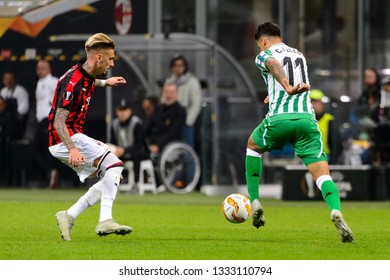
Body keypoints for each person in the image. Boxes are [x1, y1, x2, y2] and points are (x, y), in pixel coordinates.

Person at [245, 22, 354, 242]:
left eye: (259, 45)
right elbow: (293, 80)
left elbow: (273, 63)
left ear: (263, 40)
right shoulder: (299, 54)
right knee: (322, 173)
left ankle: (254, 200)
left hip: (279, 120)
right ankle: (335, 210)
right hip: (306, 120)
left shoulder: (264, 54)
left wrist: (284, 86)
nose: (260, 49)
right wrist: (275, 93)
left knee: (253, 147)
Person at [48, 33, 131, 241]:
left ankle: (69, 215)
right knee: (115, 164)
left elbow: (88, 82)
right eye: (111, 58)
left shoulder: (86, 75)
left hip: (70, 137)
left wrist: (106, 83)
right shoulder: (71, 82)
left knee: (111, 176)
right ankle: (105, 220)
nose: (112, 63)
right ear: (99, 58)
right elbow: (59, 121)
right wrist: (73, 149)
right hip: (64, 138)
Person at [32, 60, 60, 188]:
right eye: (38, 68)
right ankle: (49, 173)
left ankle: (51, 172)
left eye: (43, 68)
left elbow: (60, 97)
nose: (40, 71)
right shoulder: (39, 82)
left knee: (45, 148)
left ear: (49, 69)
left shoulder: (53, 81)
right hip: (40, 120)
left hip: (48, 119)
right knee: (40, 148)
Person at [165, 54, 202, 148]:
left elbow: (196, 104)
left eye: (181, 65)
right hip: (172, 121)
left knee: (187, 148)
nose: (178, 68)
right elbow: (164, 99)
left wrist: (188, 121)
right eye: (176, 65)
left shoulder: (192, 82)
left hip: (185, 121)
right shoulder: (169, 81)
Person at [108, 98, 149, 183]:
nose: (123, 113)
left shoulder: (137, 123)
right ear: (116, 111)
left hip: (138, 152)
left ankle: (136, 183)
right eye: (120, 110)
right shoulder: (114, 124)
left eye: (125, 110)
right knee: (109, 155)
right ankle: (112, 182)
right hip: (121, 153)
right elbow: (112, 142)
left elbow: (139, 145)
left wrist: (125, 150)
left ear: (130, 111)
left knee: (136, 154)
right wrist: (116, 150)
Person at [144, 82, 186, 156]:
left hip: (168, 144)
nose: (169, 95)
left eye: (172, 92)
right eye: (167, 92)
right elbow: (148, 126)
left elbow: (173, 133)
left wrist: (158, 145)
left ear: (176, 94)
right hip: (153, 141)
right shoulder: (158, 109)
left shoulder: (180, 111)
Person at [0, 70, 29, 138]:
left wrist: (13, 115)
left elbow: (24, 108)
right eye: (6, 79)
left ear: (14, 80)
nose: (7, 81)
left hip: (17, 121)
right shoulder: (3, 91)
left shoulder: (21, 91)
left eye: (10, 79)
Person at [310, 89, 335, 162]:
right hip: (308, 156)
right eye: (311, 102)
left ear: (322, 103)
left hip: (326, 156)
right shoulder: (306, 120)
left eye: (316, 102)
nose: (313, 105)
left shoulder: (329, 120)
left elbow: (334, 142)